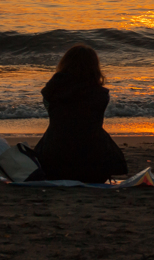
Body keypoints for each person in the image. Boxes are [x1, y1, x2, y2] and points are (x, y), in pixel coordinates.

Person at [31, 44, 128, 183]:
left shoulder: (50, 92)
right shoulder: (101, 95)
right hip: (93, 164)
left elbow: (55, 114)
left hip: (54, 163)